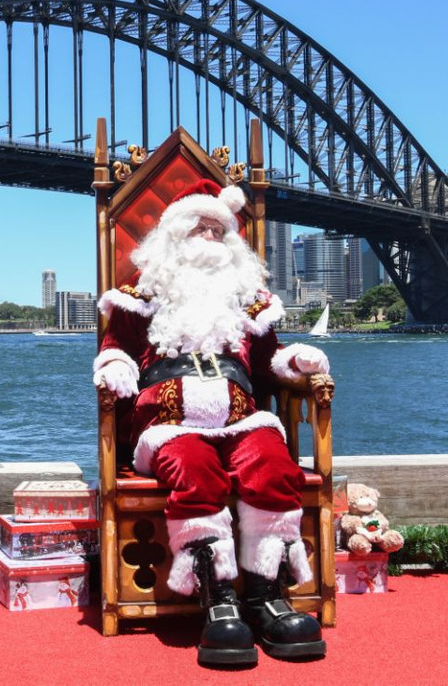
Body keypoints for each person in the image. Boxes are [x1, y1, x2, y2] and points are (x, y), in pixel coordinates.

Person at [93, 179, 330, 667]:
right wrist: (116, 368)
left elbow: (268, 359)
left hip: (242, 415)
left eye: (217, 229)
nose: (208, 236)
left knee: (272, 463)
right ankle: (218, 596)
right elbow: (114, 347)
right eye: (198, 227)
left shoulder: (247, 301)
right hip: (169, 422)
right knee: (194, 467)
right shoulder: (138, 297)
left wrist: (296, 363)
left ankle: (265, 594)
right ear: (173, 236)